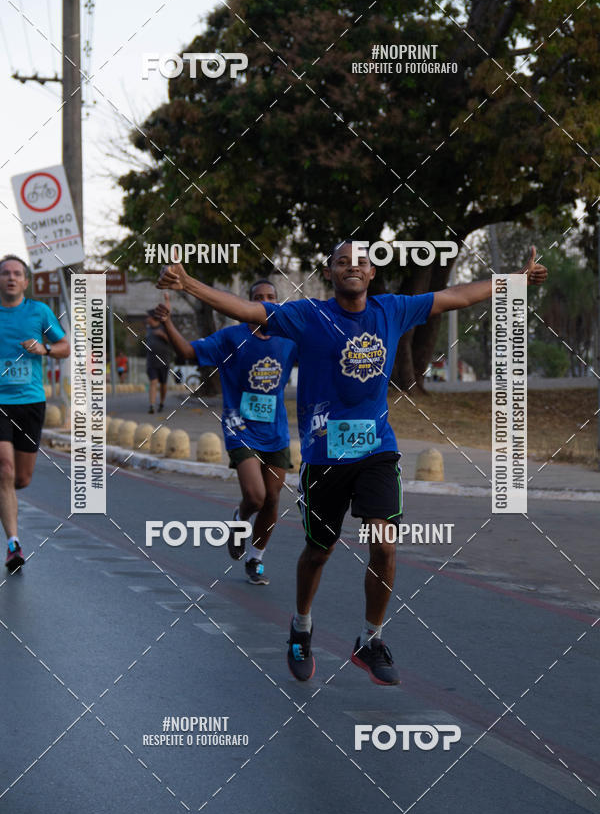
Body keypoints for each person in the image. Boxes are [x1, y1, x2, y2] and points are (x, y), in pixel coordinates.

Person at [157, 243, 547, 685]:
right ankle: (301, 626)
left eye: (360, 261)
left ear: (373, 271)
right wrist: (188, 282)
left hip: (377, 451)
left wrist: (513, 280)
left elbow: (455, 296)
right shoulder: (307, 316)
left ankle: (371, 639)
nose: (352, 267)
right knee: (318, 552)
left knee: (384, 545)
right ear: (330, 273)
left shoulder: (393, 310)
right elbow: (247, 308)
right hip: (324, 458)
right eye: (342, 262)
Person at [152, 280, 297, 584]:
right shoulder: (232, 338)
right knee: (255, 497)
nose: (265, 302)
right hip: (239, 426)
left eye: (271, 298)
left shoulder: (289, 339)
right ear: (247, 305)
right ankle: (240, 519)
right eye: (258, 298)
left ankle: (255, 559)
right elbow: (188, 351)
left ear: (278, 304)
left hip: (276, 431)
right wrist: (168, 324)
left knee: (272, 499)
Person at [0, 255, 70, 572]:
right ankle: (14, 544)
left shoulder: (39, 312)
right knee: (5, 468)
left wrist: (46, 349)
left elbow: (65, 346)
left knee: (22, 479)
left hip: (30, 400)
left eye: (17, 274)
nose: (11, 278)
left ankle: (6, 498)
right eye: (5, 274)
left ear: (26, 282)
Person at [144, 309, 172, 413]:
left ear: (153, 318)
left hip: (164, 361)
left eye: (148, 317)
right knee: (153, 381)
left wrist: (163, 335)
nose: (146, 319)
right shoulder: (148, 329)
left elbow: (173, 341)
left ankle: (161, 402)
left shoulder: (164, 328)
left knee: (163, 384)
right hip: (151, 361)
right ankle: (151, 405)